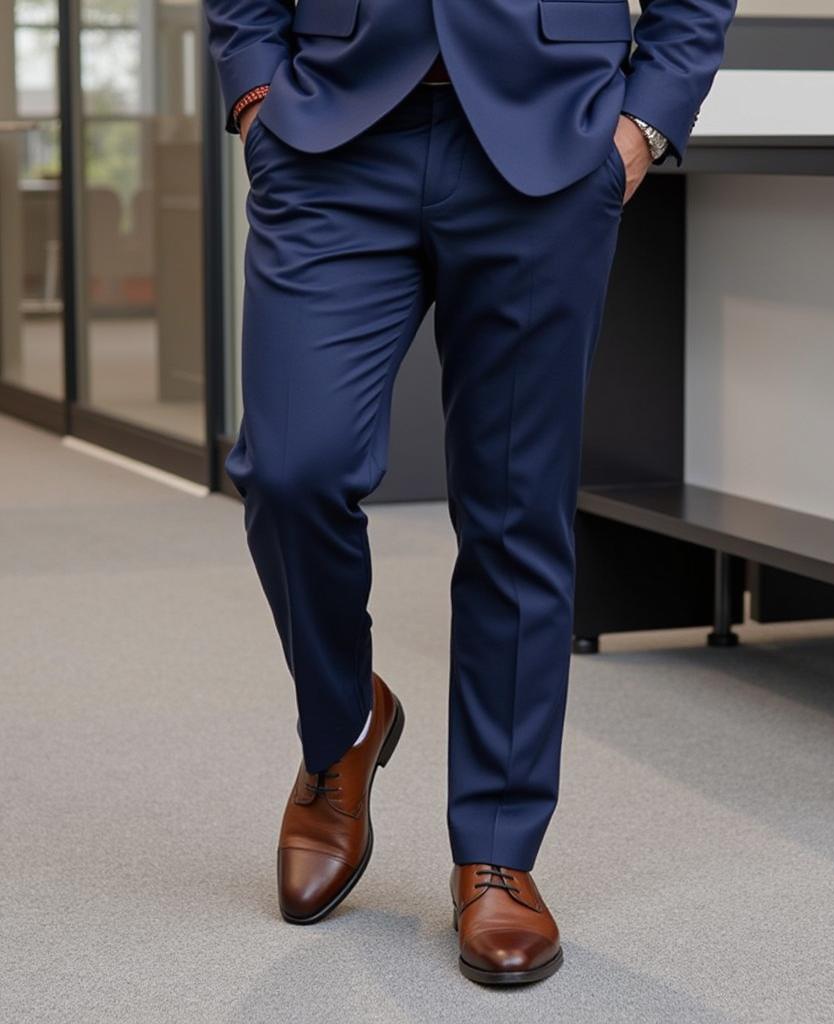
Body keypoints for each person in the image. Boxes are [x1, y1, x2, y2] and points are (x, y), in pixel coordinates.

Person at [203, 0, 735, 985]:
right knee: (289, 466)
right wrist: (255, 95)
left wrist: (643, 123)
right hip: (330, 138)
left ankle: (497, 851)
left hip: (546, 143)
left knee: (515, 509)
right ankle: (342, 726)